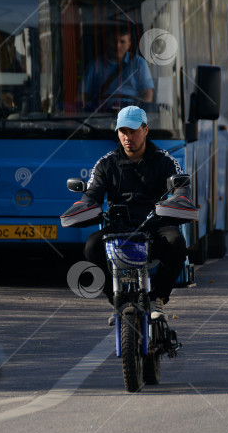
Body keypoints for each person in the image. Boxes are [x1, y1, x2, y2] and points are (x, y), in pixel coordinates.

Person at [61, 106, 195, 315]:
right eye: (123, 131)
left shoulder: (165, 160)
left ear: (146, 130)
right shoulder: (105, 164)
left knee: (177, 241)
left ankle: (158, 297)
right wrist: (82, 209)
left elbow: (181, 190)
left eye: (133, 131)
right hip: (119, 227)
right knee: (91, 245)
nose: (128, 136)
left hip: (156, 226)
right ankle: (116, 299)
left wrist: (178, 202)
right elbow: (90, 196)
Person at [81, 29, 154, 110]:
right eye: (114, 41)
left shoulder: (139, 63)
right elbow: (83, 95)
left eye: (122, 42)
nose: (117, 46)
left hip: (130, 113)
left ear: (129, 44)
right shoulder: (94, 65)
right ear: (107, 41)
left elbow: (147, 94)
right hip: (100, 114)